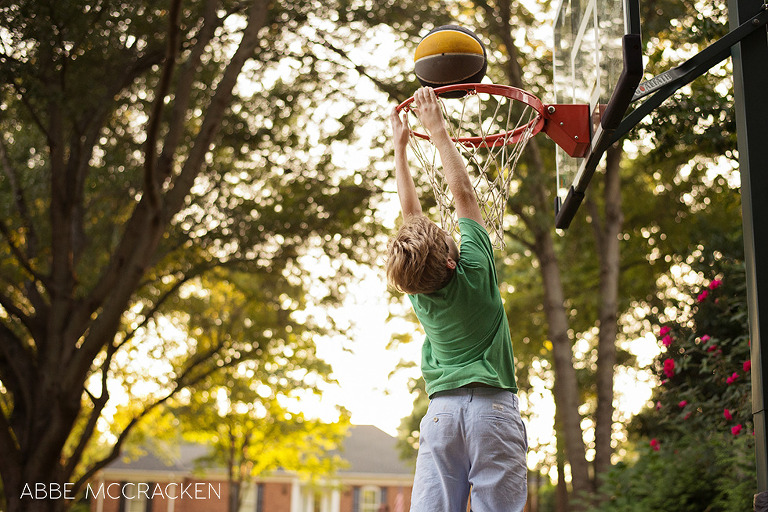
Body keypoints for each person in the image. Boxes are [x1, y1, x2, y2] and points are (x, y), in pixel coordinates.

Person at [387, 87, 528, 512]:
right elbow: (464, 194)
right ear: (451, 262)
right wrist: (438, 129)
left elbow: (410, 217)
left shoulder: (420, 294)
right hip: (493, 410)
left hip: (442, 415)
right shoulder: (476, 274)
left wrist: (401, 148)